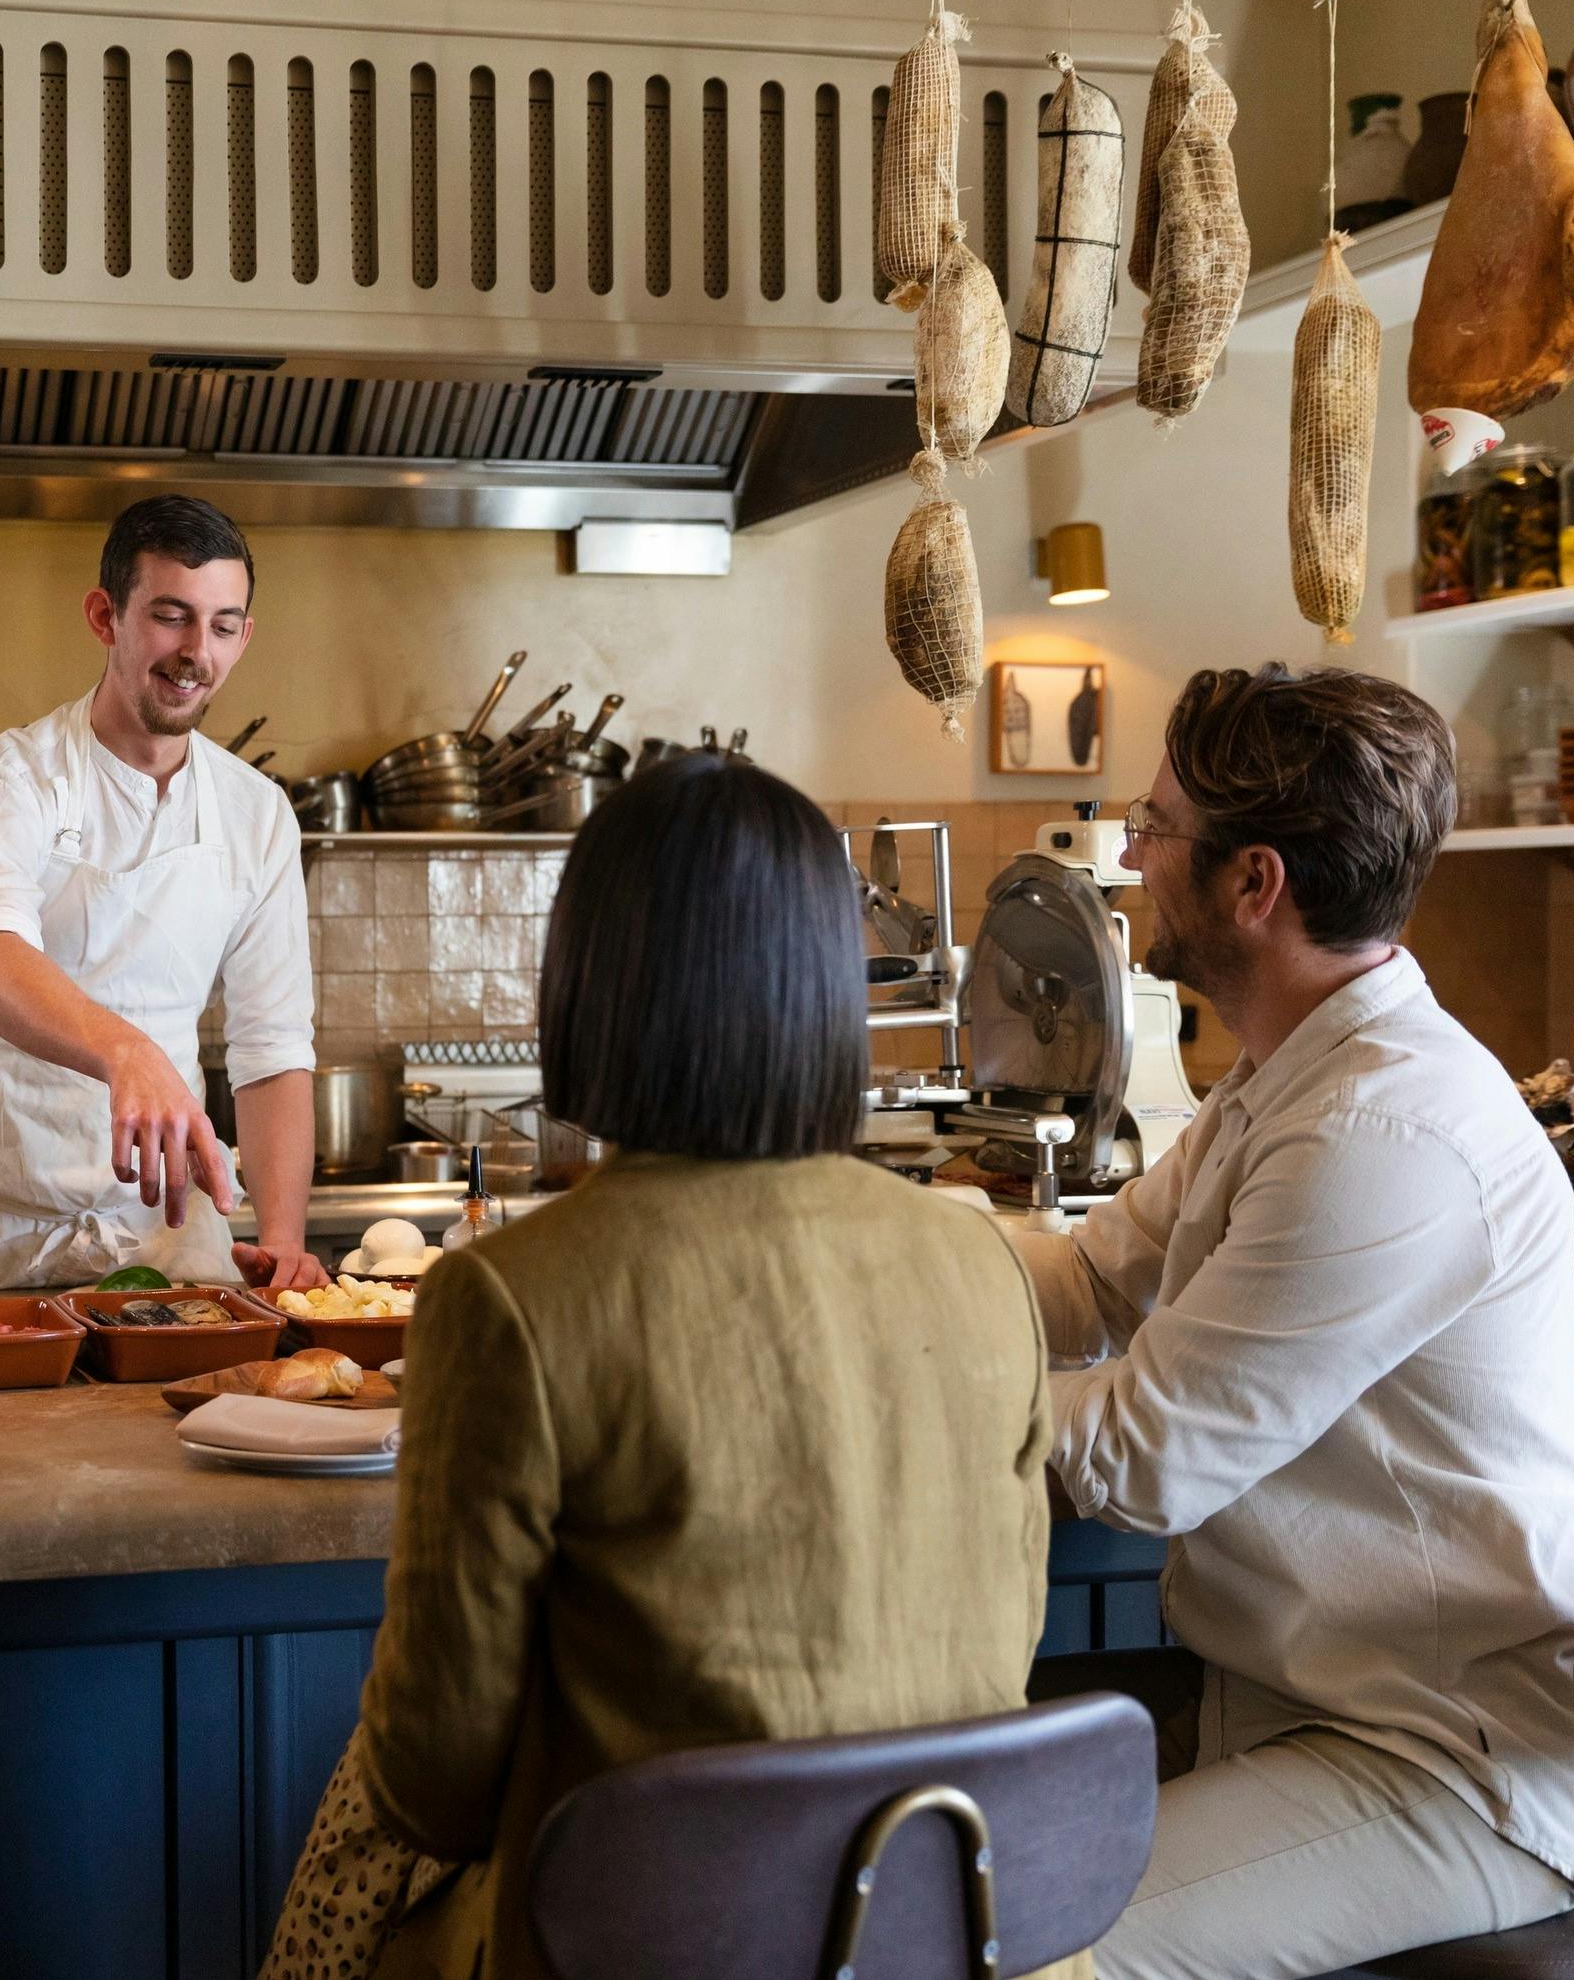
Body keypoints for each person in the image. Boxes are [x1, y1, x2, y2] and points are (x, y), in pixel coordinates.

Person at [262, 755, 1067, 1980]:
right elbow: (1001, 1650)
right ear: (825, 991)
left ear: (588, 985)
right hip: (954, 1941)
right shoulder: (983, 1265)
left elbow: (434, 1775)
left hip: (648, 1946)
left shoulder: (510, 1295)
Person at [1018, 666, 1574, 1980]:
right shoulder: (1289, 1079)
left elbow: (1145, 1458)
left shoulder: (1379, 1132)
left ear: (1254, 887)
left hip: (1450, 1764)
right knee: (898, 1849)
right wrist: (858, 1273)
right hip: (1296, 1709)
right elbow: (1085, 1280)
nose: (1127, 856)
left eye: (1155, 828)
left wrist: (885, 1387)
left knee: (1018, 1947)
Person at [0, 494, 325, 1294]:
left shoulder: (259, 815)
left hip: (163, 1235)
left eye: (221, 626)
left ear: (244, 635)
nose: (195, 652)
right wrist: (128, 1051)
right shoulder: (3, 782)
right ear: (105, 615)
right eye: (171, 616)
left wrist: (282, 1238)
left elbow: (273, 1046)